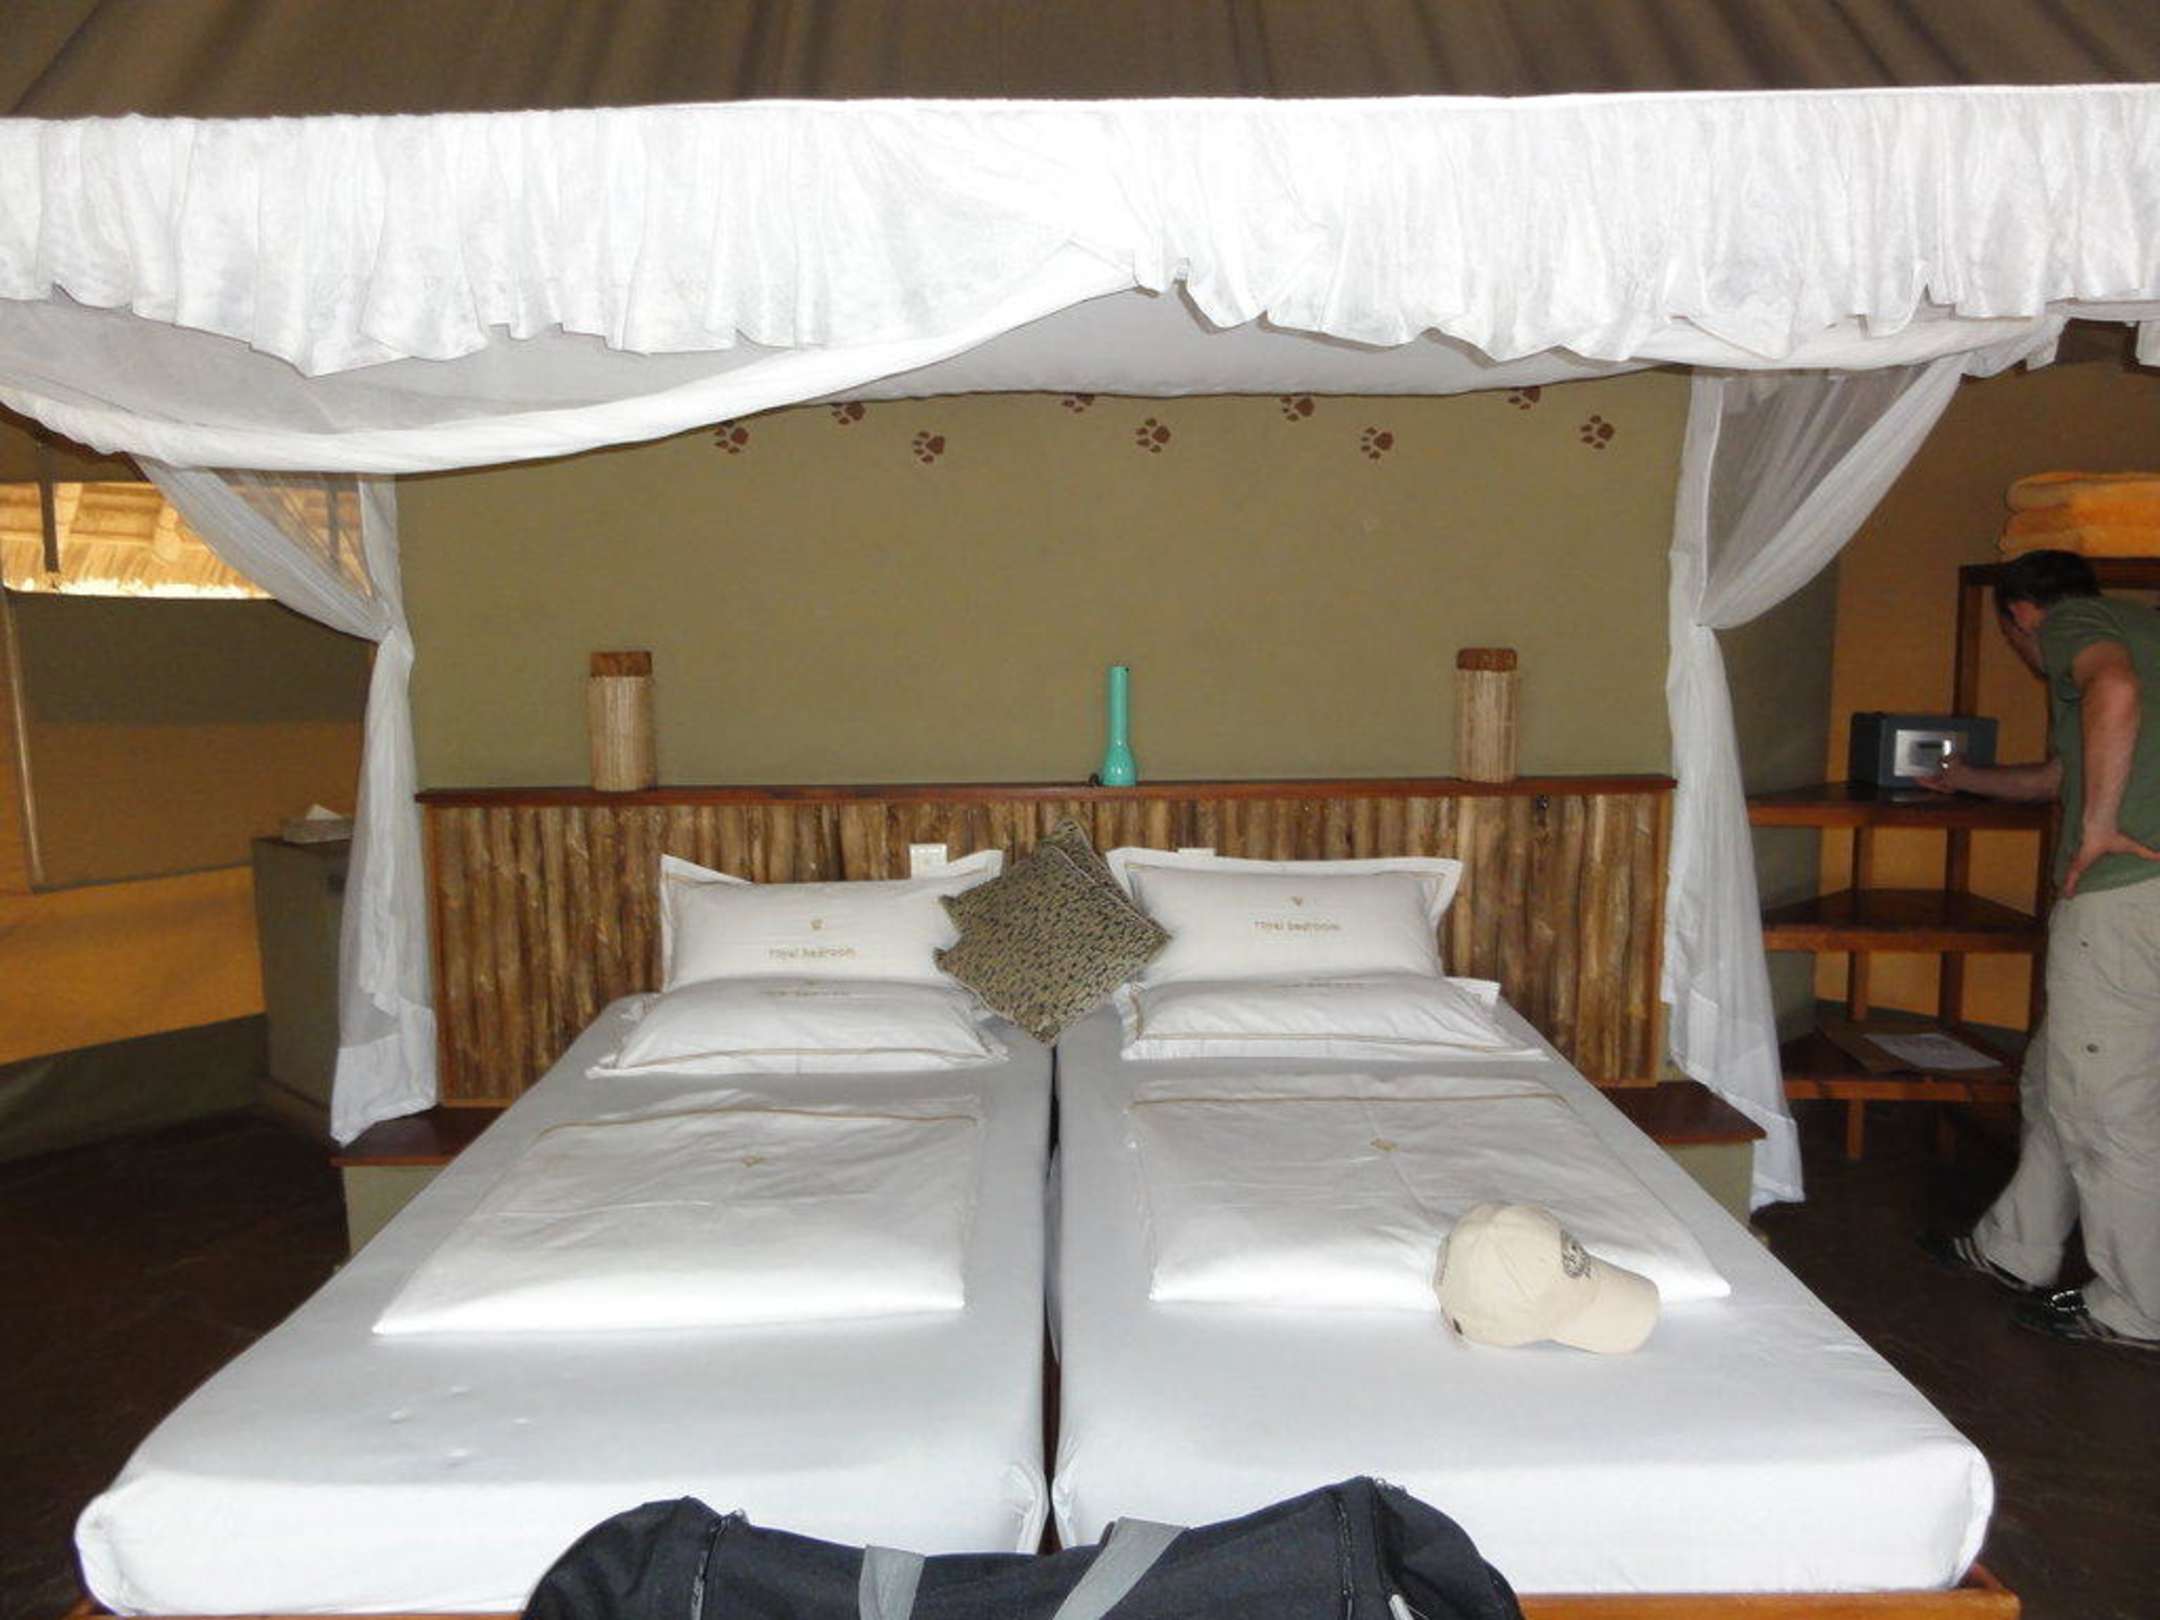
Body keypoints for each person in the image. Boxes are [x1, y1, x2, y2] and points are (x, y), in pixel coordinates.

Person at [1915, 548, 2160, 1351]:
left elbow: (2112, 690)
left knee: (2106, 1107)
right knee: (2057, 1080)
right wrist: (1968, 779)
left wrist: (2099, 830)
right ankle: (2015, 1248)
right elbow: (2062, 774)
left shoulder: (2073, 626)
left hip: (2125, 902)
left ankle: (2139, 1309)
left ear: (2020, 616)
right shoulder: (2142, 628)